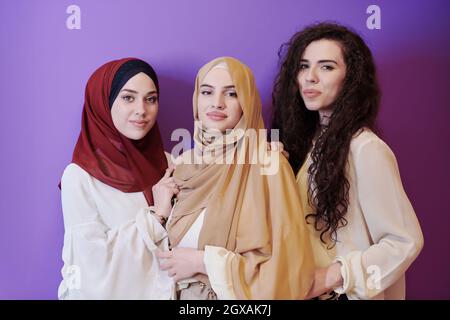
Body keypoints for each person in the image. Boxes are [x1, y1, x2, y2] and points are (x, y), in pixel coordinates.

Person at [272, 22, 424, 300]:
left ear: (351, 78)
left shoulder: (365, 148)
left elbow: (403, 241)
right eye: (304, 66)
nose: (310, 77)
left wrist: (331, 276)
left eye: (327, 67)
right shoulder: (308, 144)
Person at [157, 57, 315, 300]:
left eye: (231, 94)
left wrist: (203, 262)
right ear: (196, 100)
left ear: (247, 103)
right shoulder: (182, 165)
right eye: (207, 92)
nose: (217, 103)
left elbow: (288, 265)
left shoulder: (268, 162)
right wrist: (159, 212)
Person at [58, 58, 176, 299]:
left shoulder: (168, 163)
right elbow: (90, 269)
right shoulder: (80, 176)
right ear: (103, 102)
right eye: (128, 98)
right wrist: (156, 217)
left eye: (151, 99)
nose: (141, 110)